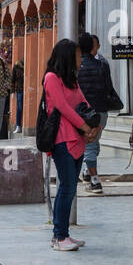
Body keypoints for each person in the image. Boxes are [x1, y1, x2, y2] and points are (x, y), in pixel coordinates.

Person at [42, 39, 102, 250]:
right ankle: (58, 236)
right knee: (66, 187)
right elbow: (63, 107)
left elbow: (83, 102)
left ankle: (64, 233)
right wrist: (86, 128)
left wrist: (93, 126)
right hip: (62, 139)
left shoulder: (72, 80)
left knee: (70, 187)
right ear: (68, 57)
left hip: (78, 138)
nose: (80, 60)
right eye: (77, 56)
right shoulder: (51, 78)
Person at [76, 33, 119, 193]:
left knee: (91, 145)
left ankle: (95, 181)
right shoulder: (102, 65)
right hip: (101, 112)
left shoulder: (76, 67)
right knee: (93, 144)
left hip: (83, 113)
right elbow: (109, 88)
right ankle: (88, 173)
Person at [11, 61, 24, 132]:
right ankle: (18, 125)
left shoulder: (29, 64)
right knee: (19, 107)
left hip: (28, 88)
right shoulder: (17, 66)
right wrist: (12, 91)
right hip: (20, 90)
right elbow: (13, 79)